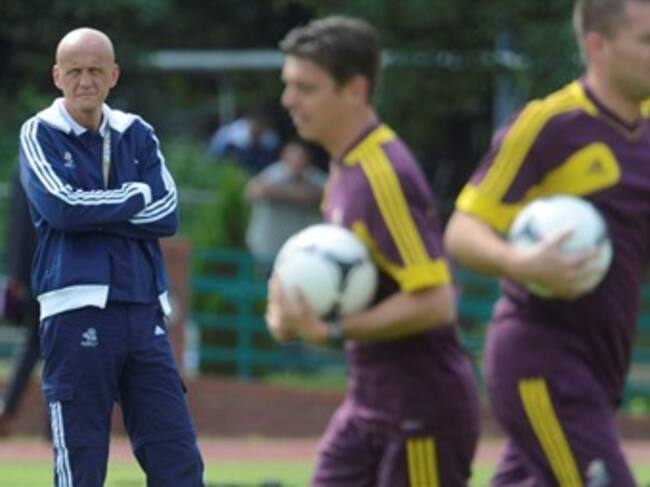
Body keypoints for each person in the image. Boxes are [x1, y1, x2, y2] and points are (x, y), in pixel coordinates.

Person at [266, 16, 480, 487]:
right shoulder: (345, 168)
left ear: (355, 90)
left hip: (420, 412)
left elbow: (436, 301)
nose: (288, 100)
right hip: (369, 404)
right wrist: (289, 313)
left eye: (305, 87)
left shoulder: (383, 175)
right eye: (288, 84)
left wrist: (332, 330)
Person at [443, 1, 650, 485]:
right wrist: (522, 262)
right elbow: (462, 231)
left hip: (601, 366)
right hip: (541, 360)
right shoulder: (548, 125)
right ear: (597, 46)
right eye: (646, 41)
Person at [18, 27, 204, 486]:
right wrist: (134, 195)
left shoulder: (136, 132)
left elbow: (167, 214)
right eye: (75, 71)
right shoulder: (39, 132)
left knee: (179, 460)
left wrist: (93, 211)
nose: (86, 81)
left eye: (96, 71)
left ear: (114, 75)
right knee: (81, 467)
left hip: (143, 309)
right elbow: (61, 208)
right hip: (74, 311)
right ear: (57, 76)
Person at [0, 171, 40, 438]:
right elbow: (19, 224)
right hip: (42, 271)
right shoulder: (30, 166)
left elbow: (17, 225)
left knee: (36, 342)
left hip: (39, 270)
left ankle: (8, 407)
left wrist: (17, 274)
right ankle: (9, 407)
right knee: (42, 341)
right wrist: (17, 275)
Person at [245, 139, 326, 264]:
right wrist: (297, 194)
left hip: (299, 247)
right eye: (293, 157)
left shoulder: (313, 176)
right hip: (267, 244)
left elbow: (325, 194)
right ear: (284, 157)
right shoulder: (274, 172)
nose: (297, 161)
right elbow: (253, 191)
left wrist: (279, 193)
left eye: (301, 158)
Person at [207, 108, 281, 174]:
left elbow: (273, 153)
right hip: (220, 157)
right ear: (252, 122)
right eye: (259, 125)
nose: (260, 128)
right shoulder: (236, 133)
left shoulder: (269, 135)